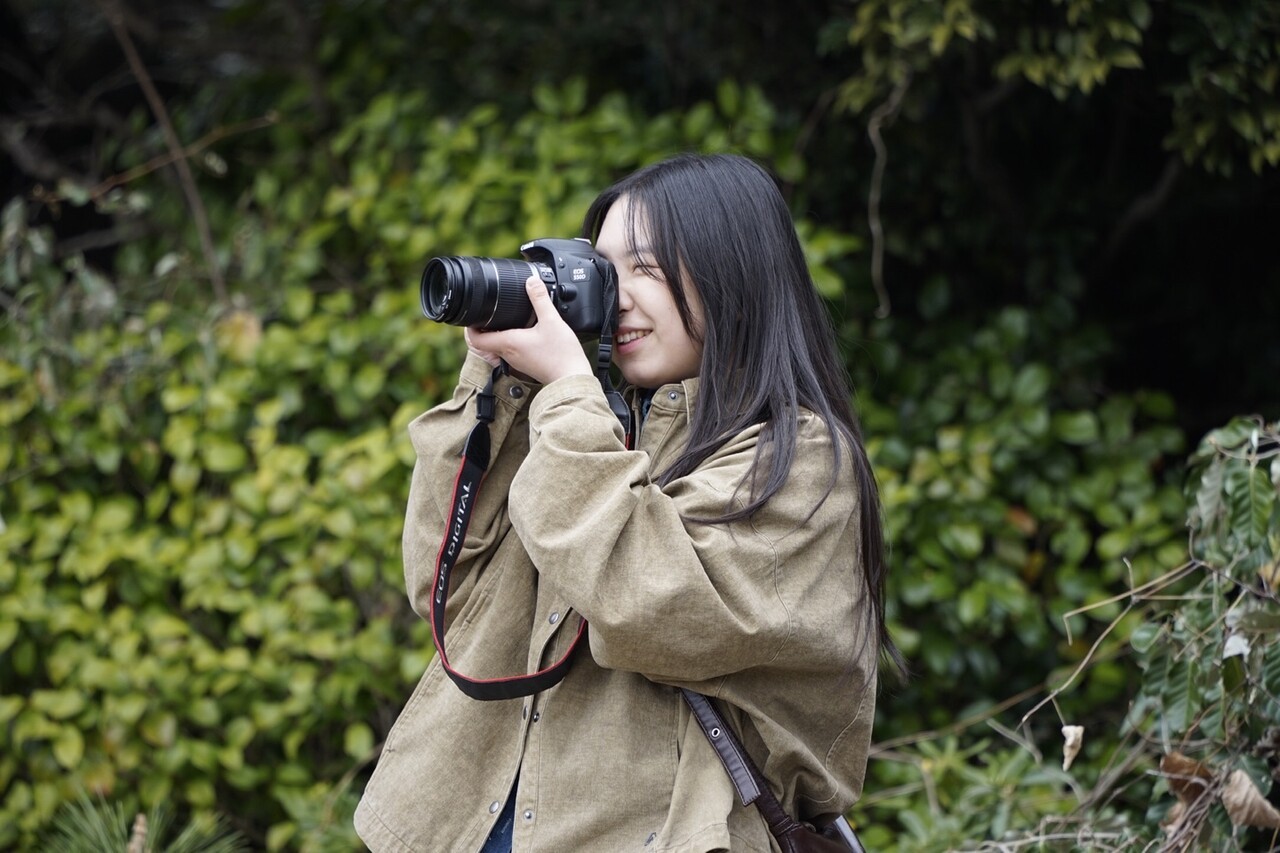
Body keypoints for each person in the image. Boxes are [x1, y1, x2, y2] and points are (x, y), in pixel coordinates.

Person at [354, 152, 898, 852]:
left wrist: (567, 393)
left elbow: (646, 606)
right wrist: (498, 386)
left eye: (648, 268)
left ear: (734, 276)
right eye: (607, 271)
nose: (618, 297)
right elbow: (448, 589)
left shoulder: (801, 459)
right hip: (468, 825)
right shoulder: (591, 426)